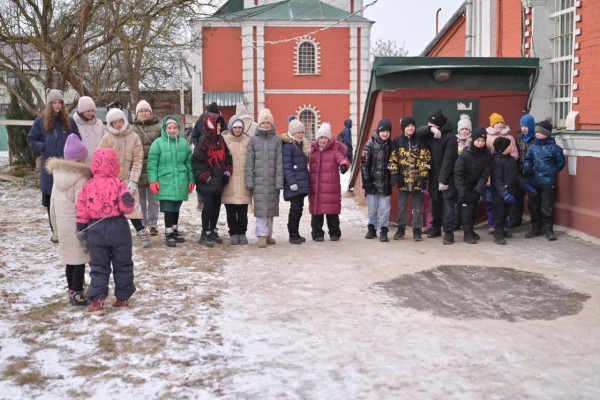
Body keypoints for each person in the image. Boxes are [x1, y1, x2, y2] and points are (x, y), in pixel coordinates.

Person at [76, 148, 136, 315]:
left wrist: (81, 228)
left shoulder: (87, 186)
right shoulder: (119, 184)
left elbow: (82, 210)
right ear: (114, 165)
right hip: (119, 228)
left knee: (99, 266)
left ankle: (97, 301)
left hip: (96, 229)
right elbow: (127, 207)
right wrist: (128, 197)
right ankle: (123, 298)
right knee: (123, 263)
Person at [27, 88, 81, 243]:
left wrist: (74, 152)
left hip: (67, 166)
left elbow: (77, 138)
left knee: (67, 200)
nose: (57, 105)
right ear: (49, 104)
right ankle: (55, 232)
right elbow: (31, 138)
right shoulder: (40, 122)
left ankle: (68, 230)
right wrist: (43, 146)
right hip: (49, 167)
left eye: (60, 102)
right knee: (51, 200)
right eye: (54, 103)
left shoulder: (69, 121)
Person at [47, 134, 91, 306]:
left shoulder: (57, 176)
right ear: (80, 159)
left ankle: (71, 289)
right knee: (79, 260)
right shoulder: (81, 178)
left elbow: (51, 205)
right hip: (77, 226)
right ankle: (77, 293)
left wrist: (55, 229)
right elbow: (83, 205)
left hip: (63, 226)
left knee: (70, 260)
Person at [98, 108, 149, 247]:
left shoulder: (134, 137)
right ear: (110, 124)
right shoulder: (107, 138)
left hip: (128, 178)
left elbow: (138, 159)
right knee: (112, 209)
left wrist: (133, 180)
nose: (119, 124)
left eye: (120, 121)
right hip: (112, 180)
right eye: (115, 122)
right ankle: (112, 236)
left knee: (132, 206)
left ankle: (141, 231)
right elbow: (100, 160)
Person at [147, 115, 195, 247]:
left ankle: (174, 229)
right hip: (165, 179)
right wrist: (153, 180)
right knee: (168, 206)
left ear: (178, 128)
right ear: (165, 128)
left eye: (174, 127)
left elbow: (189, 164)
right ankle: (168, 233)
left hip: (180, 180)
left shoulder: (184, 144)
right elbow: (152, 164)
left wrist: (191, 180)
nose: (172, 130)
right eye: (169, 128)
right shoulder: (157, 144)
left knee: (176, 206)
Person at [417, 109, 458, 245]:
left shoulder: (450, 137)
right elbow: (418, 132)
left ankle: (448, 232)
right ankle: (436, 227)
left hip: (447, 177)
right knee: (435, 202)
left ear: (438, 123)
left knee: (448, 204)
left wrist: (443, 180)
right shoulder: (432, 134)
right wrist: (431, 130)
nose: (429, 124)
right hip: (434, 175)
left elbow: (449, 160)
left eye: (431, 123)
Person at [388, 116, 431, 242]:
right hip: (403, 180)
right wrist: (395, 174)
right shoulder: (397, 141)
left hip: (418, 180)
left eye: (412, 126)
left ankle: (417, 230)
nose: (410, 128)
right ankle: (401, 229)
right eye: (407, 126)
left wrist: (423, 177)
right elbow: (393, 159)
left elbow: (425, 159)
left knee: (418, 207)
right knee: (402, 206)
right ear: (403, 128)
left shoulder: (420, 141)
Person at [245, 108, 283, 248]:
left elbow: (279, 162)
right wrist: (249, 180)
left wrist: (279, 181)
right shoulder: (253, 140)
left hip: (272, 180)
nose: (266, 125)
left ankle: (269, 234)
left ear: (271, 124)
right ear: (259, 124)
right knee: (261, 210)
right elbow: (249, 162)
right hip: (258, 180)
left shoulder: (277, 140)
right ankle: (261, 235)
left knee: (271, 210)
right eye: (263, 122)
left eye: (268, 122)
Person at [193, 113, 232, 247]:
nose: (219, 127)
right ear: (211, 125)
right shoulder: (203, 142)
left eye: (221, 125)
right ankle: (205, 233)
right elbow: (196, 162)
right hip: (208, 182)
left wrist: (227, 171)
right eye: (217, 125)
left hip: (219, 180)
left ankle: (213, 230)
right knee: (208, 208)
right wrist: (205, 176)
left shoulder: (220, 140)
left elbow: (227, 156)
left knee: (216, 207)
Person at [490, 137, 537, 245]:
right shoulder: (496, 161)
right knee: (499, 213)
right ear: (503, 148)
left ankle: (502, 230)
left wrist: (526, 186)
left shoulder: (511, 159)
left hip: (510, 191)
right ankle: (498, 234)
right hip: (499, 194)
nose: (512, 147)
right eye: (509, 145)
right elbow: (496, 180)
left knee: (506, 212)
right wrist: (504, 193)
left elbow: (516, 175)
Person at [523, 119, 565, 241]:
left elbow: (561, 163)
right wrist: (528, 167)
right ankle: (536, 228)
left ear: (547, 133)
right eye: (536, 132)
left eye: (539, 132)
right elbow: (527, 160)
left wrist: (551, 172)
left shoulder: (555, 148)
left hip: (547, 182)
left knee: (547, 206)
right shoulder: (532, 147)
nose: (537, 134)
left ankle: (548, 230)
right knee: (534, 206)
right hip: (533, 181)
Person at [309, 122, 350, 241]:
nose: (323, 140)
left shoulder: (334, 152)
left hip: (330, 188)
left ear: (329, 139)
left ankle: (334, 232)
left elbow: (342, 159)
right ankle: (317, 233)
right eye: (321, 137)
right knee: (316, 213)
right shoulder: (313, 152)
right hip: (316, 188)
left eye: (325, 138)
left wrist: (343, 165)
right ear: (317, 139)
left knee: (332, 212)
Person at [454, 127, 491, 244]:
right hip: (464, 187)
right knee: (466, 210)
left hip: (476, 187)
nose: (480, 143)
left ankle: (470, 230)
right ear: (473, 140)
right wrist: (462, 191)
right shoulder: (465, 154)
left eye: (482, 141)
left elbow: (485, 174)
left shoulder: (486, 154)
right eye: (478, 140)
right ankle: (467, 234)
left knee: (473, 208)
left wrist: (478, 190)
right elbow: (458, 174)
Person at [131, 100, 162, 236]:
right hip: (138, 168)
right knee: (141, 199)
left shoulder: (159, 126)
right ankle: (142, 223)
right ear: (137, 114)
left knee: (154, 199)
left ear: (150, 112)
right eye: (141, 111)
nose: (143, 113)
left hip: (154, 168)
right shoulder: (131, 128)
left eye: (146, 110)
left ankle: (153, 224)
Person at [484, 112, 518, 234]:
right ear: (492, 125)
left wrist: (507, 161)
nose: (499, 124)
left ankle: (503, 225)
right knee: (490, 201)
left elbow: (514, 153)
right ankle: (492, 224)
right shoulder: (487, 138)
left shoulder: (509, 138)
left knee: (504, 204)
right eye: (496, 122)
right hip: (491, 174)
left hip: (506, 173)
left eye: (501, 122)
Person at [360, 118, 393, 242]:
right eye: (383, 131)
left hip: (385, 183)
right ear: (378, 131)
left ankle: (384, 230)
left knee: (385, 209)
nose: (385, 134)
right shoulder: (370, 144)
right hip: (372, 183)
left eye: (387, 131)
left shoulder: (391, 145)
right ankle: (371, 228)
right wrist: (366, 181)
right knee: (372, 208)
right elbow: (363, 163)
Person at [222, 117, 252, 245]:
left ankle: (242, 232)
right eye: (235, 127)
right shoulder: (225, 140)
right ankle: (233, 233)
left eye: (240, 127)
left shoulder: (248, 141)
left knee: (243, 211)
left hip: (244, 181)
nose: (237, 130)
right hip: (229, 182)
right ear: (231, 128)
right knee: (230, 211)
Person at [282, 119, 310, 244]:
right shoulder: (288, 146)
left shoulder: (301, 145)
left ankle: (296, 232)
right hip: (293, 185)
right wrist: (291, 182)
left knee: (299, 209)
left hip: (301, 183)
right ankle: (292, 234)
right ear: (292, 133)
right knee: (295, 209)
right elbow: (286, 166)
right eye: (297, 132)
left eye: (302, 132)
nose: (300, 134)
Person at [191, 102, 220, 211]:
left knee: (204, 176)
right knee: (203, 176)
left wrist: (195, 142)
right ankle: (201, 201)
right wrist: (198, 143)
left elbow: (193, 135)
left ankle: (203, 201)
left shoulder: (217, 120)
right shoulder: (202, 120)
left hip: (213, 152)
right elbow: (194, 136)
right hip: (203, 152)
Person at [508, 114, 536, 228]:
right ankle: (515, 220)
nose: (524, 128)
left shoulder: (536, 139)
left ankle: (535, 222)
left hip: (533, 172)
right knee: (517, 197)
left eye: (526, 126)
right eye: (522, 126)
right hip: (519, 172)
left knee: (533, 199)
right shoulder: (518, 138)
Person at [454, 114, 473, 230]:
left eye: (467, 129)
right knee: (457, 199)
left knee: (467, 198)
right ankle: (457, 222)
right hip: (457, 174)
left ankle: (468, 223)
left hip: (469, 174)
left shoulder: (473, 141)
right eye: (462, 129)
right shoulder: (455, 141)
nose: (464, 131)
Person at [73, 96, 104, 164]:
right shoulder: (74, 125)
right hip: (82, 164)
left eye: (92, 110)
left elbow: (106, 141)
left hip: (99, 163)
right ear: (82, 111)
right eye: (88, 111)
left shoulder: (99, 123)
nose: (91, 113)